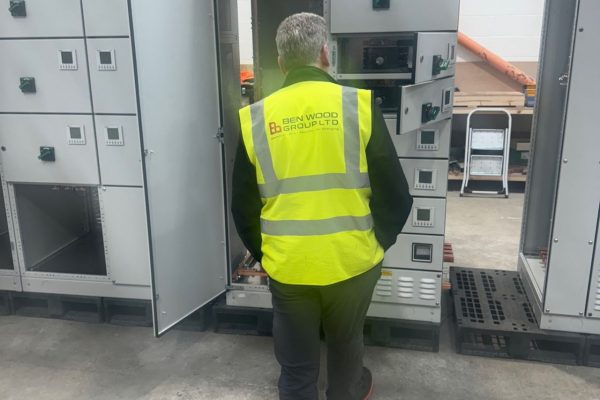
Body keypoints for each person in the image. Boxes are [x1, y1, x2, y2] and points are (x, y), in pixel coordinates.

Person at [232, 12, 413, 400]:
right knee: (346, 351)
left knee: (296, 370)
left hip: (290, 266)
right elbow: (396, 194)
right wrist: (377, 245)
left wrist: (269, 255)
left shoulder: (256, 118)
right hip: (352, 261)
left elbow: (242, 207)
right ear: (325, 54)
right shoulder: (358, 107)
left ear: (281, 63)